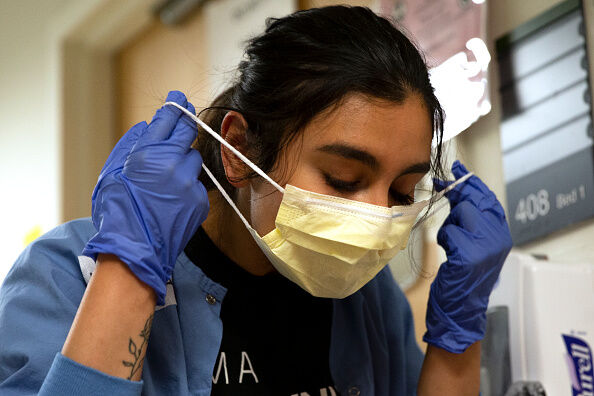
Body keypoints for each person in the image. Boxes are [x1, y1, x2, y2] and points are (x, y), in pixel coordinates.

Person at [0, 5, 512, 396]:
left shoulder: (368, 302)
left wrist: (457, 339)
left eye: (402, 192)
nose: (377, 220)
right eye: (342, 179)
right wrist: (129, 272)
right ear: (240, 150)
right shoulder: (64, 276)